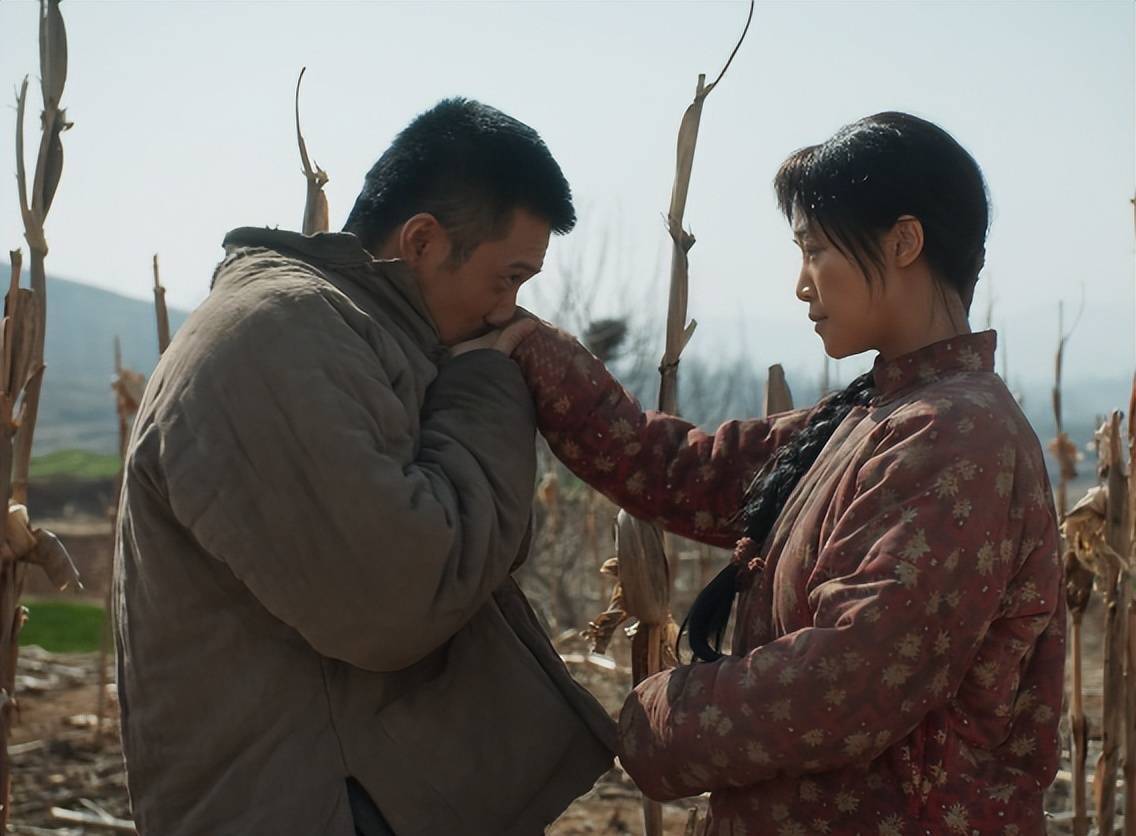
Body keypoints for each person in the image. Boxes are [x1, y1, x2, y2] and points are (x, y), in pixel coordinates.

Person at [503, 112, 1063, 834]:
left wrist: (662, 715)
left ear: (903, 242)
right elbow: (684, 470)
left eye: (815, 250)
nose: (802, 285)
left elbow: (848, 684)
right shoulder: (878, 413)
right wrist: (531, 349)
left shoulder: (955, 435)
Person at [114, 98, 615, 836]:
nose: (507, 314)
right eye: (507, 279)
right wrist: (487, 385)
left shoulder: (343, 330)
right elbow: (402, 598)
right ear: (422, 241)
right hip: (317, 804)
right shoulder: (274, 337)